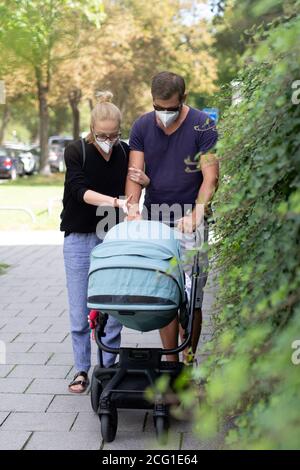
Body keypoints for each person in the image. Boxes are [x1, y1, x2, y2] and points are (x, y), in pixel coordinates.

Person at [126, 71, 219, 363]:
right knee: (164, 295)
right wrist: (132, 210)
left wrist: (197, 213)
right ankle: (171, 364)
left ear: (184, 99)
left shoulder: (203, 124)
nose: (164, 114)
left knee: (192, 300)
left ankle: (189, 358)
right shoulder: (142, 125)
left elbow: (211, 178)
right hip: (155, 221)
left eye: (170, 108)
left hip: (191, 221)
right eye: (158, 108)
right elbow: (134, 175)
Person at [60, 91, 149, 392]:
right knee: (80, 309)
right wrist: (116, 202)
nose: (109, 140)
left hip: (112, 238)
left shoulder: (124, 152)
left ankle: (107, 368)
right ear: (92, 130)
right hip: (79, 238)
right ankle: (82, 370)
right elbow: (79, 191)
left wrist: (139, 192)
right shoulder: (76, 151)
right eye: (102, 135)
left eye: (114, 134)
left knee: (113, 306)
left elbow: (136, 186)